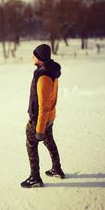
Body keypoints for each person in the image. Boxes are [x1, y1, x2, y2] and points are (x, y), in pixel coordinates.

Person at [21, 44, 65, 188]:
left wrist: (39, 129)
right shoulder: (49, 70)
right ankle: (56, 169)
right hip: (48, 116)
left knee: (31, 144)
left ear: (39, 58)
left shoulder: (44, 77)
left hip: (40, 119)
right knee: (49, 141)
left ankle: (35, 178)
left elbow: (44, 105)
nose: (31, 57)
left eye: (33, 55)